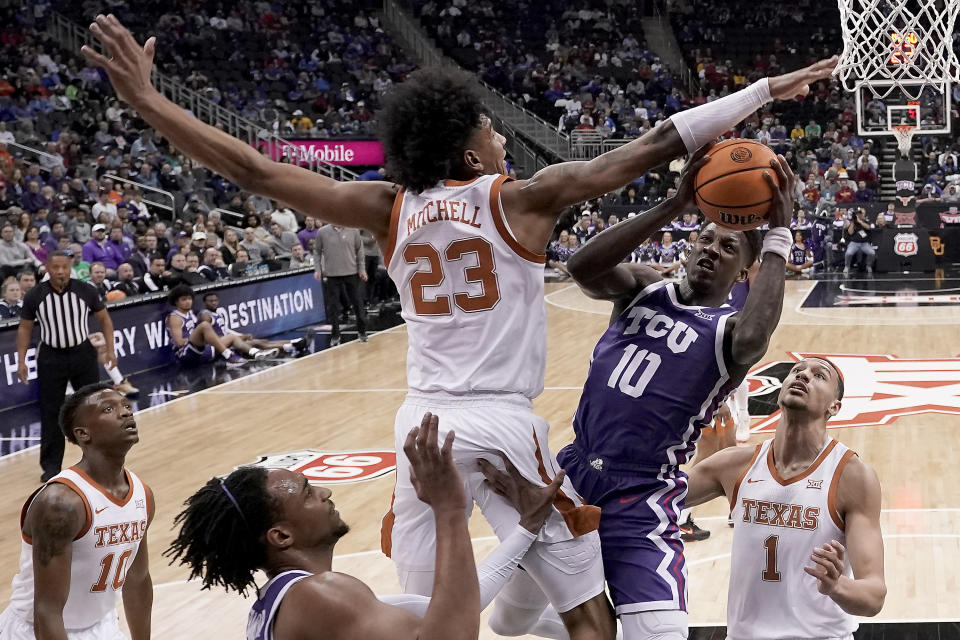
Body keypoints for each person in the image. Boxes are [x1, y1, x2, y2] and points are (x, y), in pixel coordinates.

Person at [82, 18, 835, 638]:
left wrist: (149, 102)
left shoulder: (386, 206)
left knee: (424, 618)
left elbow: (253, 171)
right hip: (504, 423)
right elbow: (654, 148)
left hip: (424, 425)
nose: (503, 139)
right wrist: (765, 91)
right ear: (471, 152)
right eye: (492, 131)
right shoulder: (523, 198)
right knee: (588, 621)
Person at [545, 149, 796, 640]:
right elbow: (582, 267)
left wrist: (778, 240)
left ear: (745, 272)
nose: (711, 249)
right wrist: (672, 205)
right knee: (512, 618)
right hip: (571, 473)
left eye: (728, 249)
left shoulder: (730, 332)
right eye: (705, 238)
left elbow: (755, 338)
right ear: (687, 246)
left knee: (663, 636)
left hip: (640, 492)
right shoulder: (643, 286)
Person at [166, 414, 562, 640]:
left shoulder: (286, 599)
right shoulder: (320, 595)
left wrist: (526, 528)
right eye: (306, 493)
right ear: (281, 536)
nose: (323, 491)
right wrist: (449, 510)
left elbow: (446, 609)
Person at [685, 357, 886, 637]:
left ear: (834, 407)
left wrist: (837, 586)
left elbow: (874, 596)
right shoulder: (735, 465)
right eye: (796, 371)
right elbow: (655, 496)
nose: (803, 376)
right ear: (780, 393)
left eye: (819, 376)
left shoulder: (852, 477)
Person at [0, 383, 154, 640]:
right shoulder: (60, 503)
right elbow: (47, 611)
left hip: (102, 627)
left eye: (126, 406)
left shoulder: (142, 494)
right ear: (83, 434)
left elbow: (137, 580)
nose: (126, 412)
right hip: (37, 632)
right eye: (109, 409)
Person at [17, 251, 117, 482]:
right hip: (51, 357)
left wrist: (110, 349)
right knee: (51, 411)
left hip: (82, 353)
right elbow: (24, 328)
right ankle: (51, 466)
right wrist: (21, 360)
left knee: (93, 408)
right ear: (47, 269)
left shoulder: (86, 290)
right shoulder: (36, 295)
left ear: (71, 267)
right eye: (56, 267)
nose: (60, 271)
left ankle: (99, 460)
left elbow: (105, 320)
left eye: (64, 267)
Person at [165, 284, 264, 366]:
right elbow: (179, 343)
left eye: (189, 299)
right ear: (176, 302)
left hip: (198, 349)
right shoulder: (175, 317)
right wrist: (201, 338)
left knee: (232, 337)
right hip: (184, 353)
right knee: (204, 325)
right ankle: (228, 355)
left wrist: (207, 339)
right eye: (184, 299)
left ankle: (255, 352)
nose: (188, 302)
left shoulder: (190, 313)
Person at [199, 291, 310, 357]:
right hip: (221, 345)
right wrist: (238, 337)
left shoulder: (217, 313)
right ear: (205, 302)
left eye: (215, 300)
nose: (213, 303)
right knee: (257, 343)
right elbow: (210, 336)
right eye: (210, 301)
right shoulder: (205, 315)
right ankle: (291, 345)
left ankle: (292, 343)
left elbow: (226, 329)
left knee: (263, 341)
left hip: (229, 340)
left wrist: (240, 335)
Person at [314, 224, 368, 345]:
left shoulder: (353, 230)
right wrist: (318, 269)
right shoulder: (322, 232)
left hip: (351, 272)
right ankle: (335, 336)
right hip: (331, 274)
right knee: (333, 307)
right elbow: (316, 251)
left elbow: (360, 250)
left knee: (357, 303)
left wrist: (362, 269)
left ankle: (362, 332)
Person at [843, 208, 875, 275]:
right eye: (858, 214)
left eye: (861, 214)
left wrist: (860, 221)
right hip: (854, 243)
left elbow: (869, 227)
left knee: (872, 253)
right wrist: (853, 222)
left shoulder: (867, 221)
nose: (859, 215)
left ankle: (868, 266)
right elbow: (850, 233)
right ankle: (847, 266)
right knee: (848, 253)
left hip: (864, 243)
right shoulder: (853, 222)